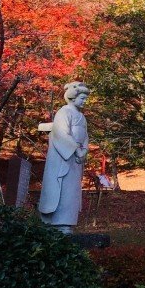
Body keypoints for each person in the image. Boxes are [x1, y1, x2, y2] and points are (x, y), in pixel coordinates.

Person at [38, 81, 90, 233]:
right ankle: (57, 223)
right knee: (61, 189)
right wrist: (76, 150)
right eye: (82, 98)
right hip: (63, 159)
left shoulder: (82, 117)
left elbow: (85, 137)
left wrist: (84, 151)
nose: (84, 101)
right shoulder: (64, 112)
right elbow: (61, 133)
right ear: (73, 98)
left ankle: (67, 223)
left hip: (75, 160)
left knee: (72, 191)